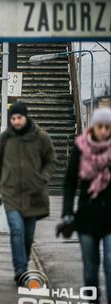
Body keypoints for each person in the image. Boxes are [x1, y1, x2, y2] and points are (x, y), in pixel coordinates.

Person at [0, 102, 56, 283]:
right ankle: (20, 269)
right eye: (13, 118)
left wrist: (42, 178)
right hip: (10, 192)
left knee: (27, 235)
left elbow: (51, 161)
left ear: (26, 117)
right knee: (17, 229)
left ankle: (23, 262)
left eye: (19, 118)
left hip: (34, 194)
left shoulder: (41, 138)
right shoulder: (4, 139)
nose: (16, 121)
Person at [58, 108, 111, 302]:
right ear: (93, 127)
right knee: (90, 267)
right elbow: (70, 182)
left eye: (107, 127)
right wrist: (67, 212)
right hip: (87, 217)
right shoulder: (81, 148)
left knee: (110, 264)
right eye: (100, 127)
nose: (103, 131)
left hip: (110, 216)